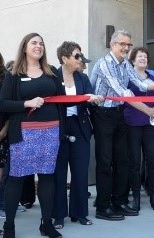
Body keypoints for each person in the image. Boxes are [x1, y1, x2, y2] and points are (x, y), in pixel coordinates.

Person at [90, 30, 154, 221]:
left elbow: (141, 84)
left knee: (122, 161)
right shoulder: (104, 64)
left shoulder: (125, 64)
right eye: (122, 44)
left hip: (118, 114)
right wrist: (148, 111)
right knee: (105, 162)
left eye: (128, 45)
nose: (126, 48)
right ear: (112, 44)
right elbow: (123, 92)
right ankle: (103, 207)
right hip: (102, 115)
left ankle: (119, 202)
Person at [0, 33, 64, 238]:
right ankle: (9, 226)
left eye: (41, 43)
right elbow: (3, 103)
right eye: (34, 43)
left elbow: (62, 99)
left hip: (50, 132)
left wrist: (87, 98)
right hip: (24, 134)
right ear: (25, 47)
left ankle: (46, 224)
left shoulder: (52, 72)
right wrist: (26, 103)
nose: (39, 46)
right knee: (16, 178)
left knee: (46, 177)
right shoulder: (14, 74)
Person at [52, 41, 103, 229]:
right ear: (64, 58)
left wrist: (94, 100)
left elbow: (89, 98)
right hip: (59, 128)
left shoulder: (82, 78)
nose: (80, 59)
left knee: (80, 173)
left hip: (80, 128)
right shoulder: (53, 77)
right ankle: (58, 216)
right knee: (59, 174)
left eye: (80, 55)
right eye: (76, 56)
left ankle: (79, 213)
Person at [124, 47, 154, 211]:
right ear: (133, 59)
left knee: (152, 160)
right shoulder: (127, 76)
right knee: (134, 162)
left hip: (151, 122)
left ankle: (153, 195)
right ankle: (136, 196)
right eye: (140, 56)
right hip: (132, 123)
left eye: (145, 56)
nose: (143, 59)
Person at [0, 53, 9, 220]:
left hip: (2, 131)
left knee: (2, 173)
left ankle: (2, 205)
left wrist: (4, 130)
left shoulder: (5, 80)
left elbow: (10, 109)